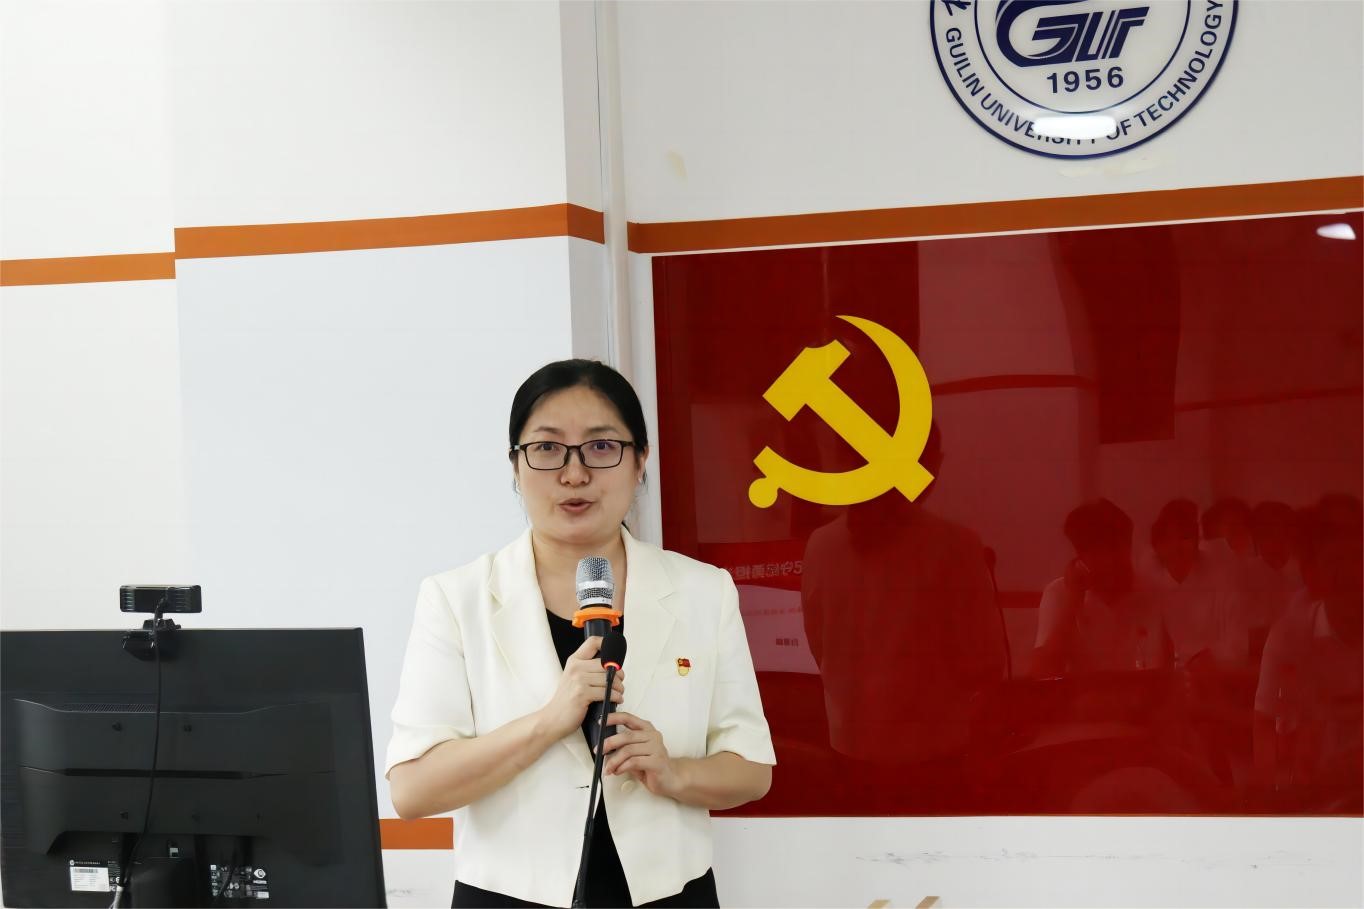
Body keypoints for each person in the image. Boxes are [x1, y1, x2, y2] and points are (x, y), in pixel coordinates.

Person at [385, 360, 776, 908]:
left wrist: (673, 773)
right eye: (547, 449)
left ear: (641, 460)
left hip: (669, 894)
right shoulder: (456, 598)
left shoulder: (703, 591)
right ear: (515, 464)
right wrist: (548, 722)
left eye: (601, 447)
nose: (574, 474)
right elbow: (412, 791)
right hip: (508, 897)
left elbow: (752, 771)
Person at [1031, 499, 1172, 677]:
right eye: (1098, 554)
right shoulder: (1059, 593)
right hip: (1082, 694)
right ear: (1081, 557)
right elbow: (1042, 673)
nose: (1109, 563)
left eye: (1115, 550)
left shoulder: (1154, 592)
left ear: (1128, 546)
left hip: (1143, 693)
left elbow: (1172, 667)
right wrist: (1073, 601)